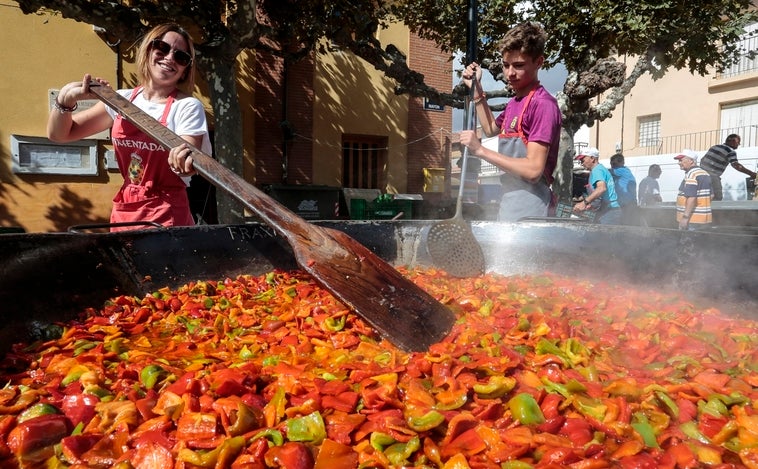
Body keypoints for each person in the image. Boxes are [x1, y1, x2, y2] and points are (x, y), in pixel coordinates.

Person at [47, 23, 211, 232]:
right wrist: (66, 99)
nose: (170, 58)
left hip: (166, 213)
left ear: (185, 70)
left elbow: (186, 163)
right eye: (162, 47)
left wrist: (185, 159)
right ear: (148, 50)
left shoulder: (187, 106)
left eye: (181, 57)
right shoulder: (121, 100)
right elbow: (59, 134)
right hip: (126, 209)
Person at [459, 22, 562, 222]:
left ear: (539, 62)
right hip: (509, 201)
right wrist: (476, 88)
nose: (509, 73)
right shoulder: (515, 103)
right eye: (506, 65)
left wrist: (480, 151)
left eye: (519, 65)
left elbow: (533, 170)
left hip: (533, 207)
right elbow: (489, 128)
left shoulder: (542, 104)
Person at [699, 134, 756, 201]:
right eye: (738, 142)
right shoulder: (730, 151)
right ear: (731, 141)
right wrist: (752, 174)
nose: (738, 144)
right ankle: (713, 211)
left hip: (700, 174)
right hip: (712, 176)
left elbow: (702, 160)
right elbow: (736, 166)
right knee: (717, 198)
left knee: (703, 196)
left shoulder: (715, 147)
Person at [572, 148, 621, 225]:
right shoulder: (599, 169)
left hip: (609, 211)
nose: (581, 163)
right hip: (609, 210)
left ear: (592, 158)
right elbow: (601, 195)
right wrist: (590, 205)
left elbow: (601, 188)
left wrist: (584, 203)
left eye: (583, 159)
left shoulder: (597, 170)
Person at [674, 149, 712, 230]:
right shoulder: (705, 173)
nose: (679, 163)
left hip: (691, 220)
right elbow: (711, 195)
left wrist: (685, 217)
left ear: (691, 161)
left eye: (681, 160)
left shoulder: (691, 174)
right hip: (703, 219)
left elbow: (691, 197)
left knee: (687, 241)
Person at [609, 153, 638, 225]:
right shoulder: (623, 171)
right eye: (611, 164)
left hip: (628, 203)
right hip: (628, 203)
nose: (612, 166)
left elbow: (606, 171)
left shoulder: (621, 170)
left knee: (626, 225)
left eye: (614, 164)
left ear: (622, 163)